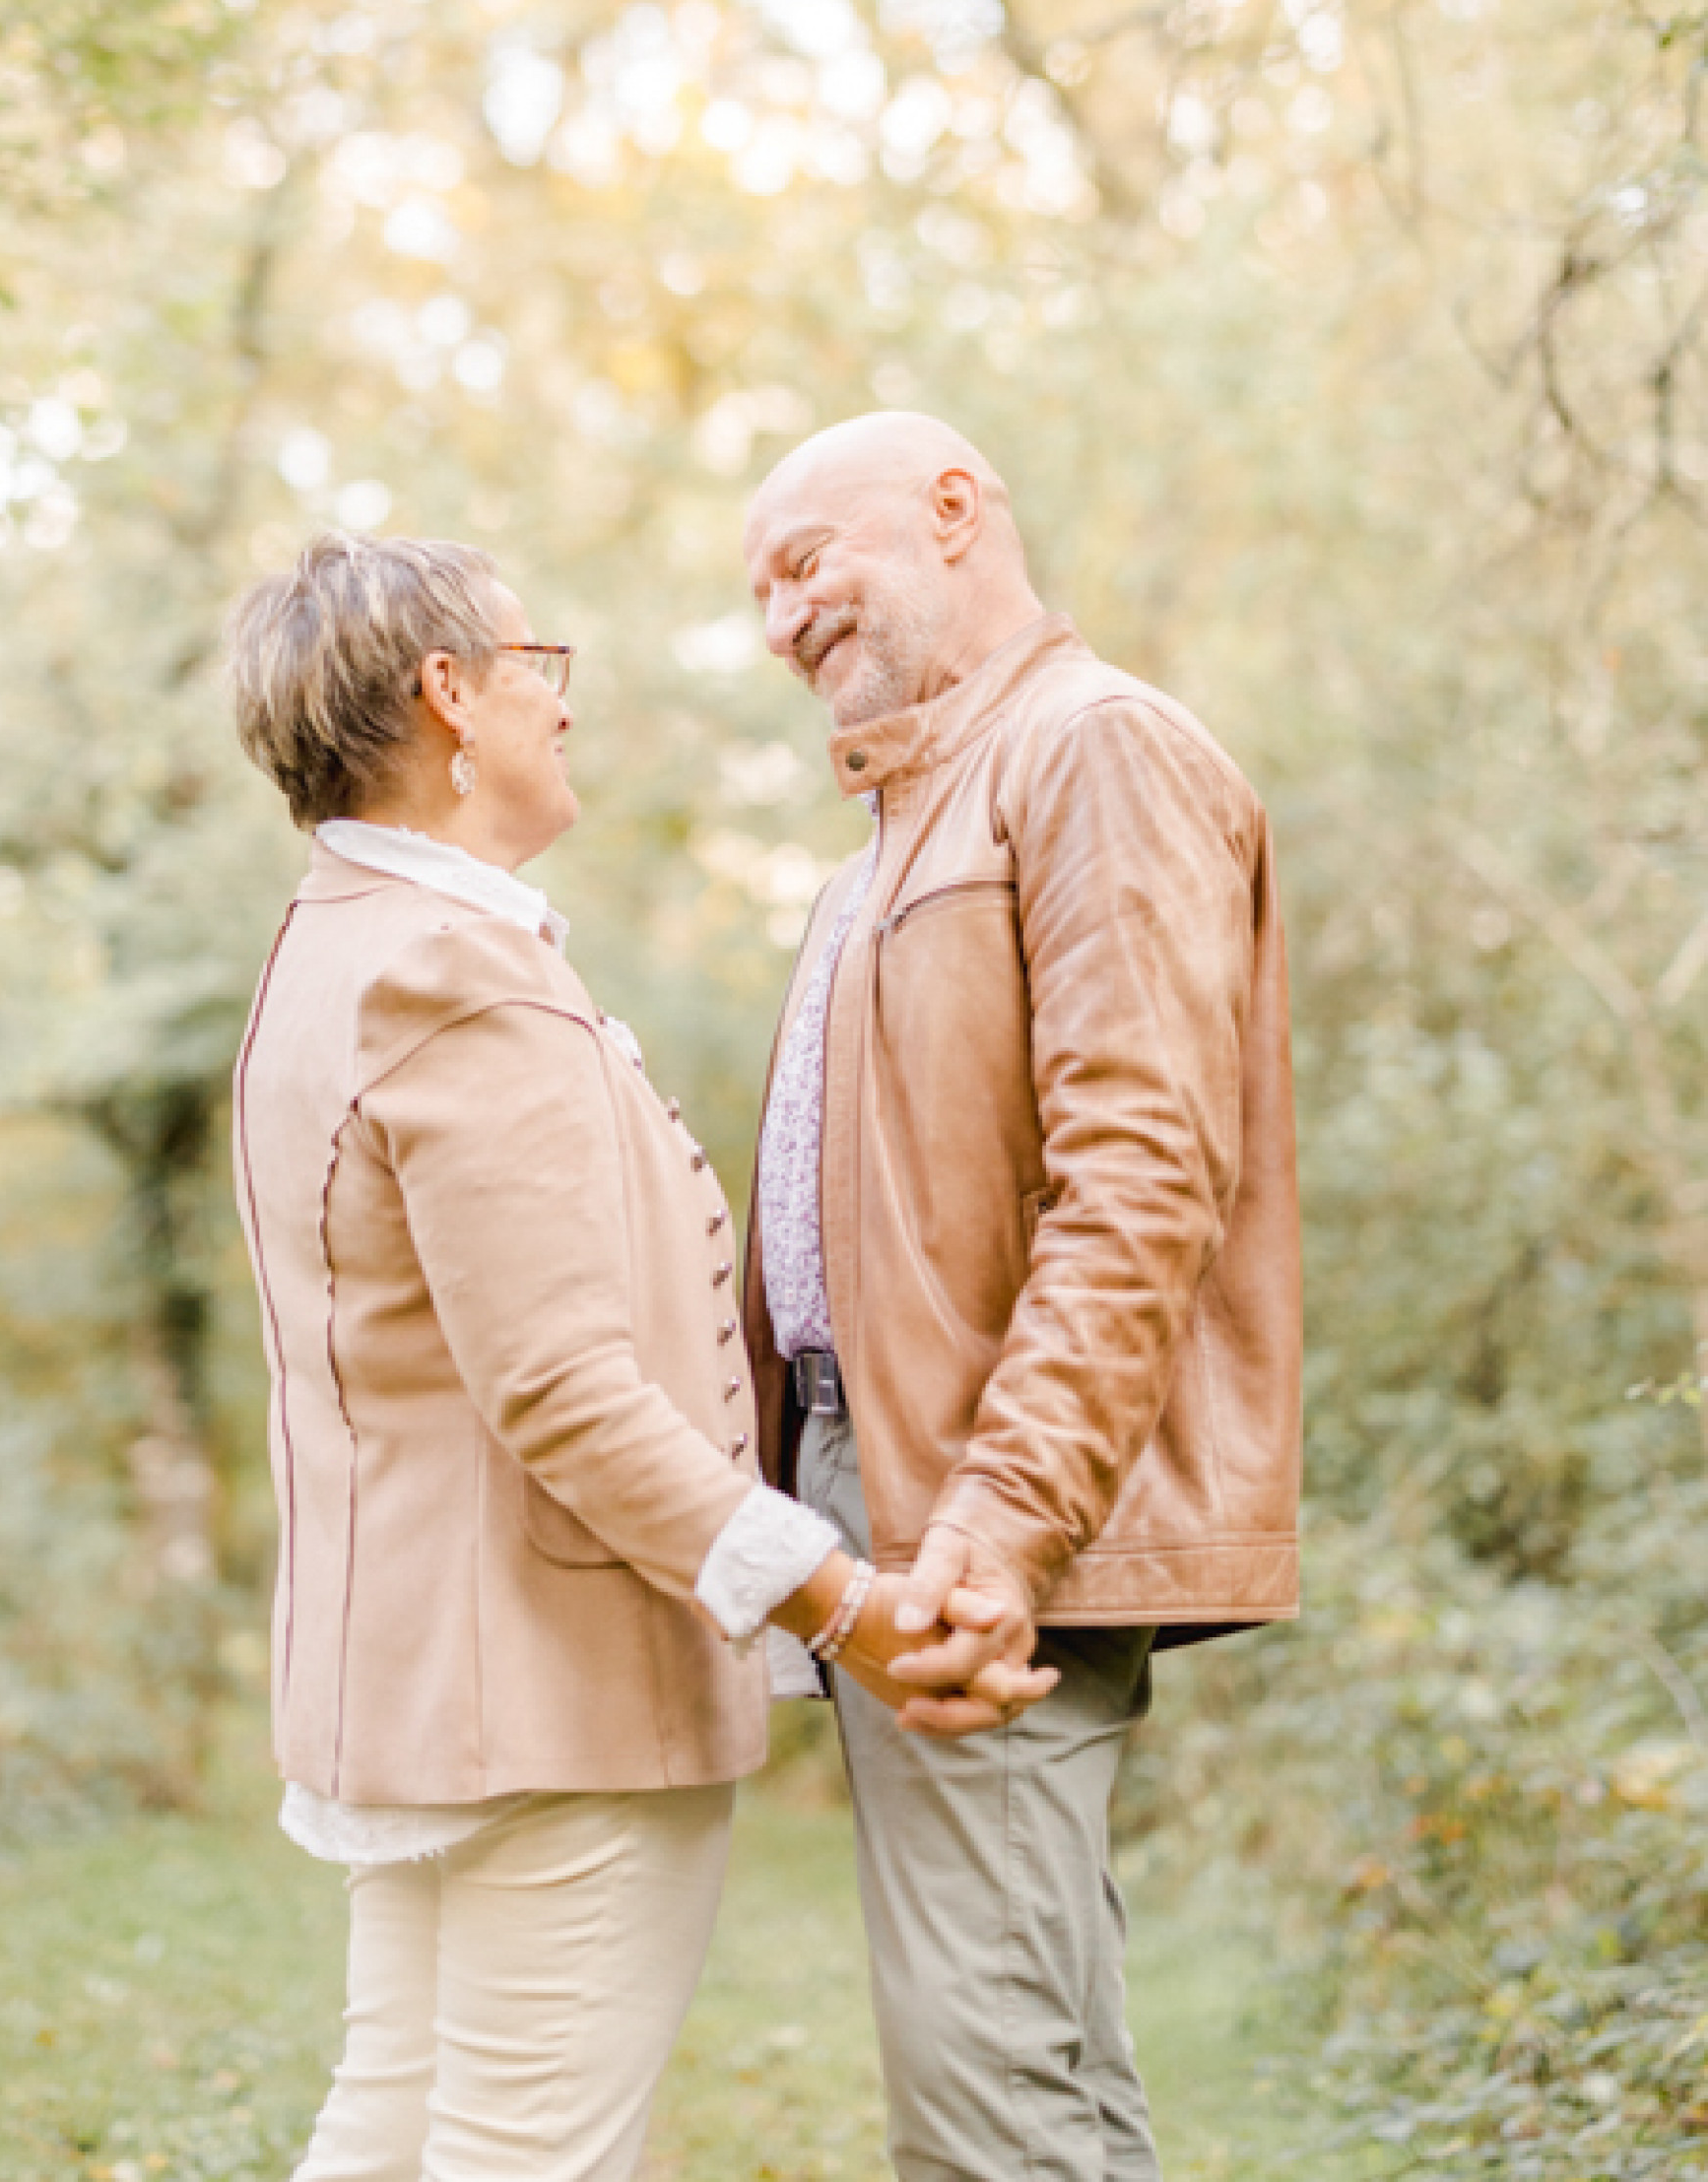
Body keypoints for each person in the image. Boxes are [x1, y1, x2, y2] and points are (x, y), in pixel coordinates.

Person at [221, 528, 1043, 2182]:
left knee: (392, 2126)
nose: (558, 707)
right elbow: (565, 1389)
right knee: (528, 2157)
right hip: (552, 1697)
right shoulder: (457, 974)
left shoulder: (332, 947)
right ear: (450, 695)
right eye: (540, 668)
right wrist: (838, 1603)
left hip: (415, 1682)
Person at [742, 413, 1302, 2182]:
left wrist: (994, 1520)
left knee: (986, 2089)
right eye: (761, 591)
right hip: (893, 1485)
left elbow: (1143, 1176)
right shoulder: (909, 821)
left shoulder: (1094, 750)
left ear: (957, 510)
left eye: (806, 560)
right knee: (1031, 2055)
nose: (782, 621)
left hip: (977, 1507)